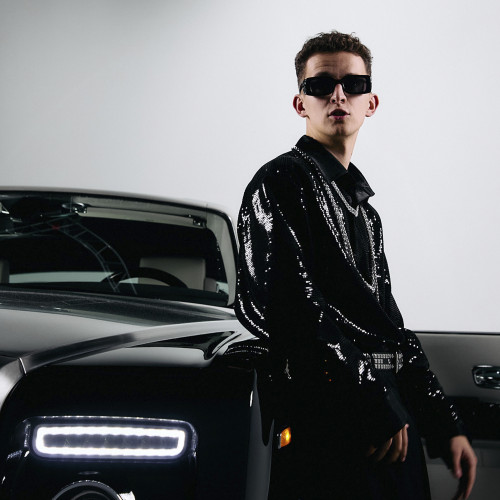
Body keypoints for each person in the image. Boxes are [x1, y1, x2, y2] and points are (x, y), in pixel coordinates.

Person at [235, 31, 477, 500]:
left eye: (353, 84)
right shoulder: (281, 181)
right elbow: (291, 311)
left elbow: (389, 328)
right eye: (321, 85)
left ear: (372, 102)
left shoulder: (365, 213)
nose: (338, 95)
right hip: (334, 426)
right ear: (300, 103)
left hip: (382, 420)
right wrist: (371, 400)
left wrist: (444, 424)